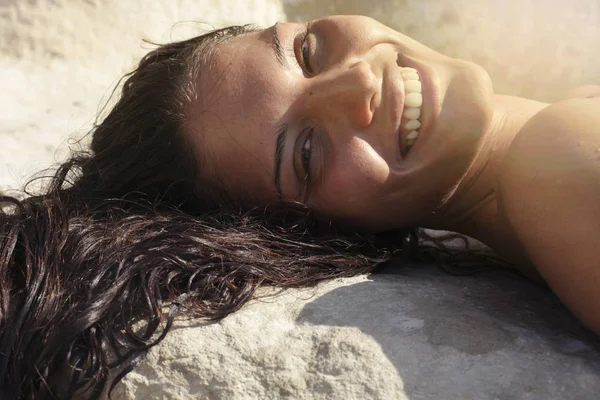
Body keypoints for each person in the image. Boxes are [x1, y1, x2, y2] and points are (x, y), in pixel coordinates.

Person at [0, 15, 598, 399]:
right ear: (318, 235)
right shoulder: (554, 164)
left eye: (309, 51)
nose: (359, 84)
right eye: (307, 152)